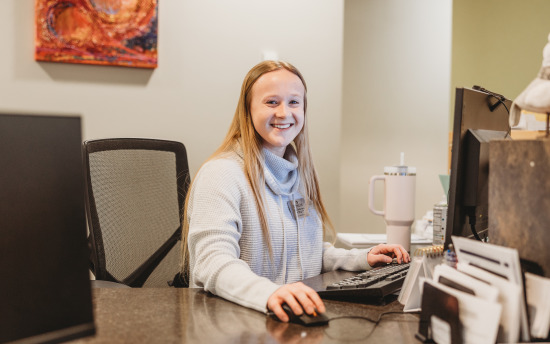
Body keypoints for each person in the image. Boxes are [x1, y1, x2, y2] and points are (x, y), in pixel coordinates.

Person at [181, 60, 410, 322]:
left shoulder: (299, 175)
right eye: (271, 102)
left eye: (293, 102)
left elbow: (306, 252)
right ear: (248, 109)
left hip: (285, 319)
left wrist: (363, 259)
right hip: (231, 322)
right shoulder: (221, 174)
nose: (283, 113)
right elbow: (212, 263)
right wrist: (269, 294)